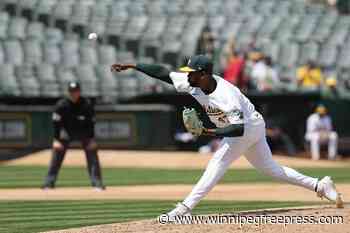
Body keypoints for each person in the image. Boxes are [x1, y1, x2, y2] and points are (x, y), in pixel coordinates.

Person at [111, 55, 343, 219]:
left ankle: (185, 208)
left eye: (190, 73)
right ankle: (320, 185)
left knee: (217, 164)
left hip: (248, 127)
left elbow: (238, 129)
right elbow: (163, 73)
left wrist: (206, 132)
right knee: (271, 170)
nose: (186, 76)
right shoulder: (193, 82)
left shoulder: (226, 95)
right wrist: (133, 65)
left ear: (203, 74)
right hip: (247, 126)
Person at [42, 82, 105, 190]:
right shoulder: (62, 105)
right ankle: (49, 182)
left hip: (83, 132)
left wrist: (92, 139)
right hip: (67, 132)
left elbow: (92, 123)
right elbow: (56, 123)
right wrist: (56, 139)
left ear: (79, 92)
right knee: (57, 153)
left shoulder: (86, 104)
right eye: (71, 91)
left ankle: (97, 182)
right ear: (68, 92)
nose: (73, 93)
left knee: (92, 151)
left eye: (75, 91)